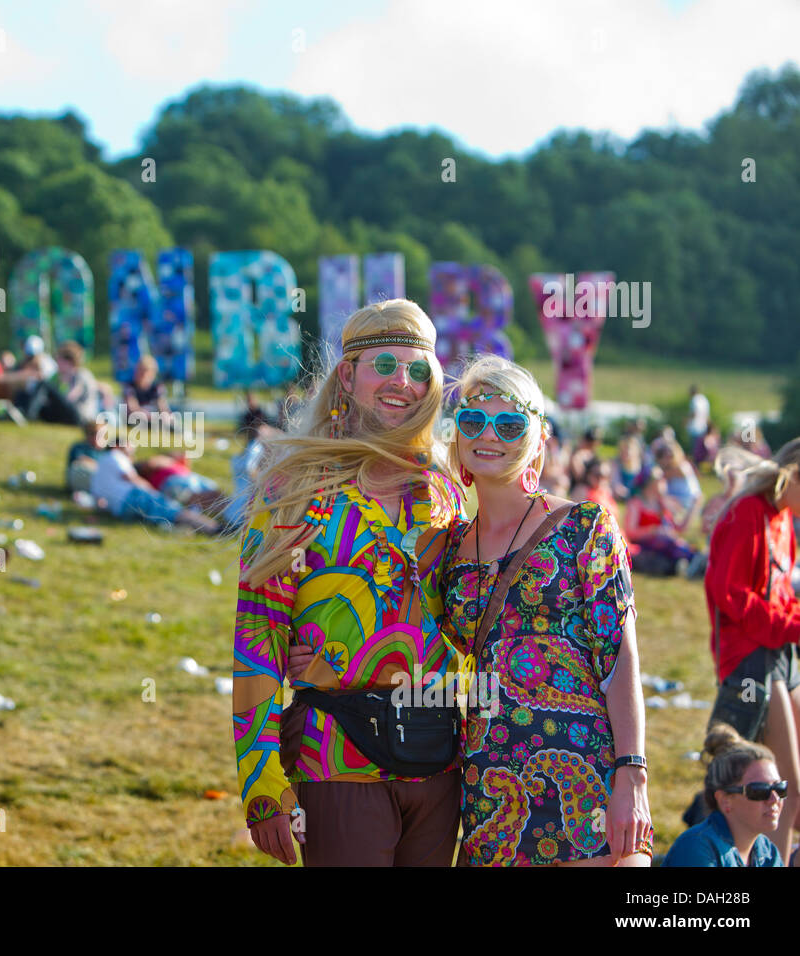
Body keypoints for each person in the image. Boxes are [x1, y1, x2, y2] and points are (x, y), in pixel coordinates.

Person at [233, 299, 464, 867]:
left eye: (417, 370)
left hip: (439, 757)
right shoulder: (294, 488)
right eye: (383, 365)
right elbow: (257, 639)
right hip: (336, 753)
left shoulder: (444, 490)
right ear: (347, 377)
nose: (401, 383)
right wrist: (261, 782)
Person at [436, 355, 652, 866]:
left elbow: (620, 660)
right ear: (459, 435)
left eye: (509, 422)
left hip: (585, 781)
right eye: (473, 419)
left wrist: (632, 774)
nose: (488, 433)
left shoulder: (585, 528)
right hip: (490, 790)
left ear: (536, 437)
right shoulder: (448, 550)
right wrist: (315, 656)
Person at [703, 437, 800, 860]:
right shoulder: (750, 512)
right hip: (750, 656)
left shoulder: (783, 519)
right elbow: (729, 592)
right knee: (788, 784)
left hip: (780, 651)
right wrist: (790, 623)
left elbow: (782, 594)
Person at [665, 724, 787, 866]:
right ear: (725, 800)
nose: (774, 799)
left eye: (780, 788)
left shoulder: (767, 852)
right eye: (759, 791)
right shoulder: (696, 849)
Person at [91, 436, 219, 534]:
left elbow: (99, 501)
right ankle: (215, 529)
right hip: (133, 496)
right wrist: (154, 493)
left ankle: (190, 529)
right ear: (117, 446)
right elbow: (132, 478)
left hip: (121, 511)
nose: (132, 455)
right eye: (130, 450)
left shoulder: (99, 470)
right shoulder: (115, 455)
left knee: (163, 518)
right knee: (174, 510)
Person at [624, 467, 703, 577]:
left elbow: (679, 528)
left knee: (673, 544)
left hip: (666, 545)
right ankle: (694, 563)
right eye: (661, 479)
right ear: (650, 483)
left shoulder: (663, 503)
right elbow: (630, 533)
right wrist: (654, 531)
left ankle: (694, 561)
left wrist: (694, 507)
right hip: (645, 545)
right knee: (669, 544)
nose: (665, 482)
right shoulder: (636, 503)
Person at [687, 385, 711, 450]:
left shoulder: (694, 400)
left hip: (695, 427)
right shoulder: (704, 399)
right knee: (701, 447)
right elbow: (707, 415)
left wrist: (687, 421)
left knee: (695, 447)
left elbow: (694, 413)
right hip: (704, 426)